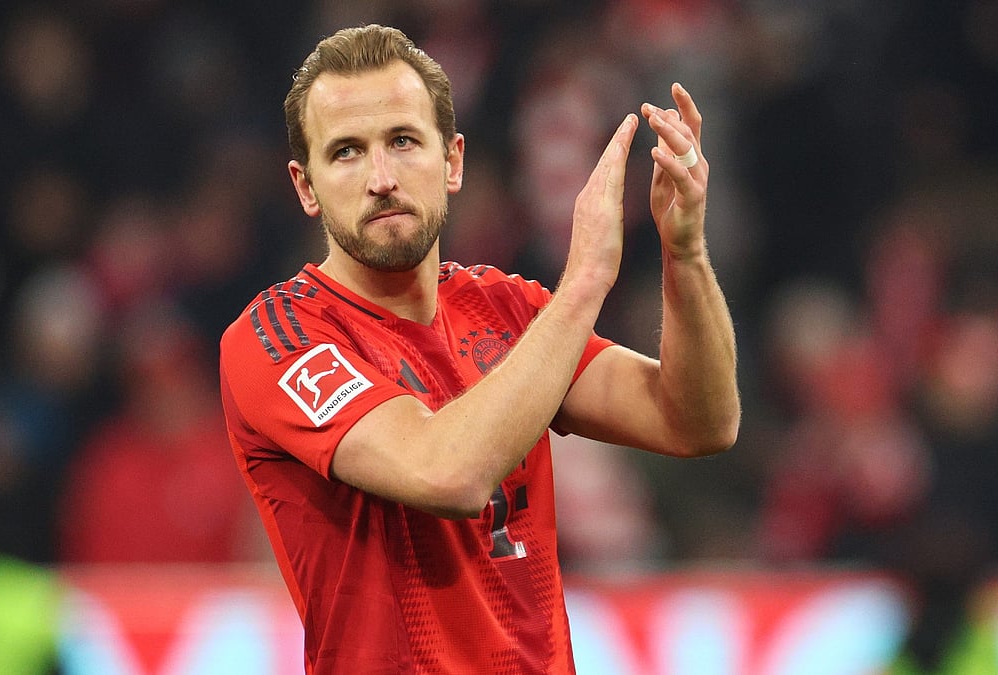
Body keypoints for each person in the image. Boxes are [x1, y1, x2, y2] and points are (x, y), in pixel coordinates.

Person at [219, 24, 740, 674]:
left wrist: (684, 252)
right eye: (347, 151)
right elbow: (446, 471)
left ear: (453, 161)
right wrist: (583, 283)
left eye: (403, 141)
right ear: (306, 186)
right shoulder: (278, 337)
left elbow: (698, 418)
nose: (381, 177)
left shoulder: (508, 310)